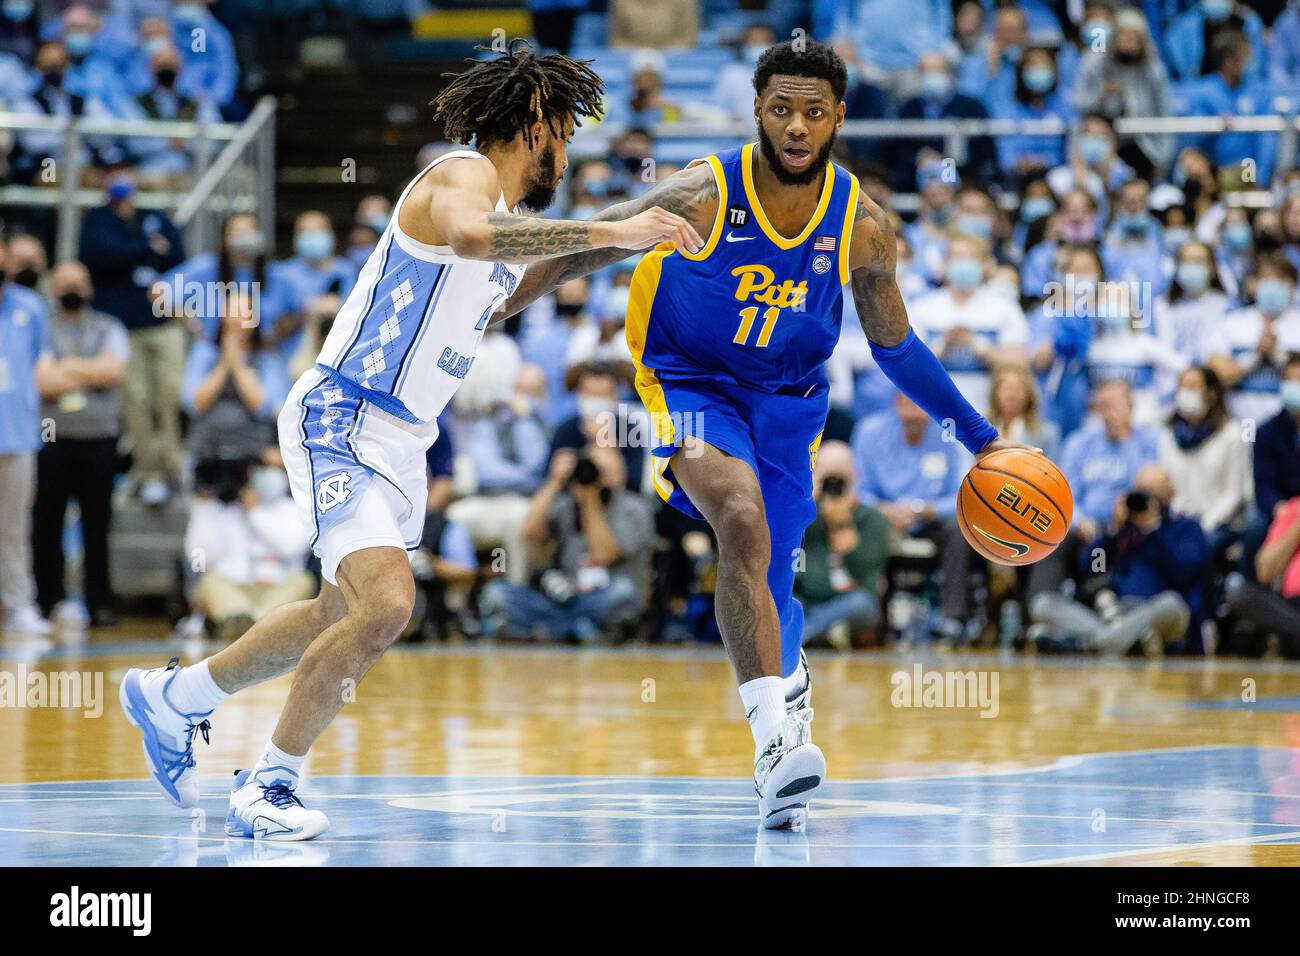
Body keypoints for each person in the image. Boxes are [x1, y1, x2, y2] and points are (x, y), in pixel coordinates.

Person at [119, 41, 700, 840]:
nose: (567, 154)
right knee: (390, 603)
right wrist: (618, 225)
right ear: (538, 123)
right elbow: (470, 237)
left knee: (338, 611)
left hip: (401, 440)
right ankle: (268, 786)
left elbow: (507, 292)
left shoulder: (510, 222)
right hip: (344, 416)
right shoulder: (464, 179)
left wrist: (621, 235)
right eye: (565, 131)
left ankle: (173, 700)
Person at [499, 40, 1030, 829]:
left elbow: (897, 349)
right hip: (687, 380)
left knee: (776, 576)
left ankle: (788, 699)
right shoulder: (705, 194)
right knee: (739, 517)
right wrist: (497, 301)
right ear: (757, 110)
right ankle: (775, 745)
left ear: (838, 119)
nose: (796, 125)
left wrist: (983, 439)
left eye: (814, 111)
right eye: (781, 107)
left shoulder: (863, 227)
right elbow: (596, 234)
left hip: (789, 404)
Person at [78, 169, 185, 505]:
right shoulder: (97, 219)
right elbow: (99, 256)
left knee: (171, 397)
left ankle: (175, 469)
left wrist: (137, 250)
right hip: (122, 327)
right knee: (136, 402)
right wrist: (144, 248)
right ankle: (149, 472)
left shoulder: (154, 215)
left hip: (163, 322)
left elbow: (177, 254)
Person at [32, 261, 128, 628]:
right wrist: (89, 370)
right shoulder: (41, 327)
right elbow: (42, 382)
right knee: (47, 523)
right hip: (52, 439)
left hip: (99, 439)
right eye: (64, 283)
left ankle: (99, 601)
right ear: (52, 288)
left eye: (78, 283)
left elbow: (114, 371)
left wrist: (65, 368)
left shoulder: (109, 326)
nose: (72, 289)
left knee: (97, 525)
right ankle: (46, 600)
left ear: (88, 288)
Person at [479, 443, 653, 642]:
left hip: (602, 597)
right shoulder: (567, 504)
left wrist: (590, 498)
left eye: (601, 471)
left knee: (622, 593)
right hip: (563, 598)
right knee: (498, 593)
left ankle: (546, 629)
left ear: (618, 474)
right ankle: (577, 629)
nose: (593, 476)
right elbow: (528, 531)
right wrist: (555, 481)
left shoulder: (633, 508)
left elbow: (603, 555)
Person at [1030, 465, 1204, 654]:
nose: (1145, 500)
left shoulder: (1185, 528)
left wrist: (1154, 529)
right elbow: (1092, 570)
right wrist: (1112, 532)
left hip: (1151, 611)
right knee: (1043, 604)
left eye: (1154, 494)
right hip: (1108, 612)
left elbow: (1183, 574)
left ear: (1170, 496)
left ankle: (1084, 644)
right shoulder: (1117, 532)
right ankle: (1130, 643)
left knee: (1173, 604)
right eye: (1141, 492)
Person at [0, 233, 50, 637]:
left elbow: (39, 365)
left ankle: (20, 604)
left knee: (13, 529)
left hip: (16, 436)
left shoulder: (29, 307)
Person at [795, 445, 889, 649]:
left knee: (862, 605)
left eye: (840, 479)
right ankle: (825, 632)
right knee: (786, 600)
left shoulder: (872, 518)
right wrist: (805, 500)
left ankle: (802, 636)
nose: (833, 487)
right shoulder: (804, 515)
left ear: (854, 477)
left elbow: (864, 571)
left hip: (849, 601)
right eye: (828, 479)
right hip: (807, 600)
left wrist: (841, 522)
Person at [1158, 365, 1250, 546]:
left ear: (1211, 393)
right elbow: (1166, 485)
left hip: (1218, 523)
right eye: (1182, 387)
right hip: (1178, 521)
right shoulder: (1168, 434)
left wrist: (1204, 525)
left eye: (1192, 387)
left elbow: (1234, 494)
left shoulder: (1231, 434)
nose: (1185, 393)